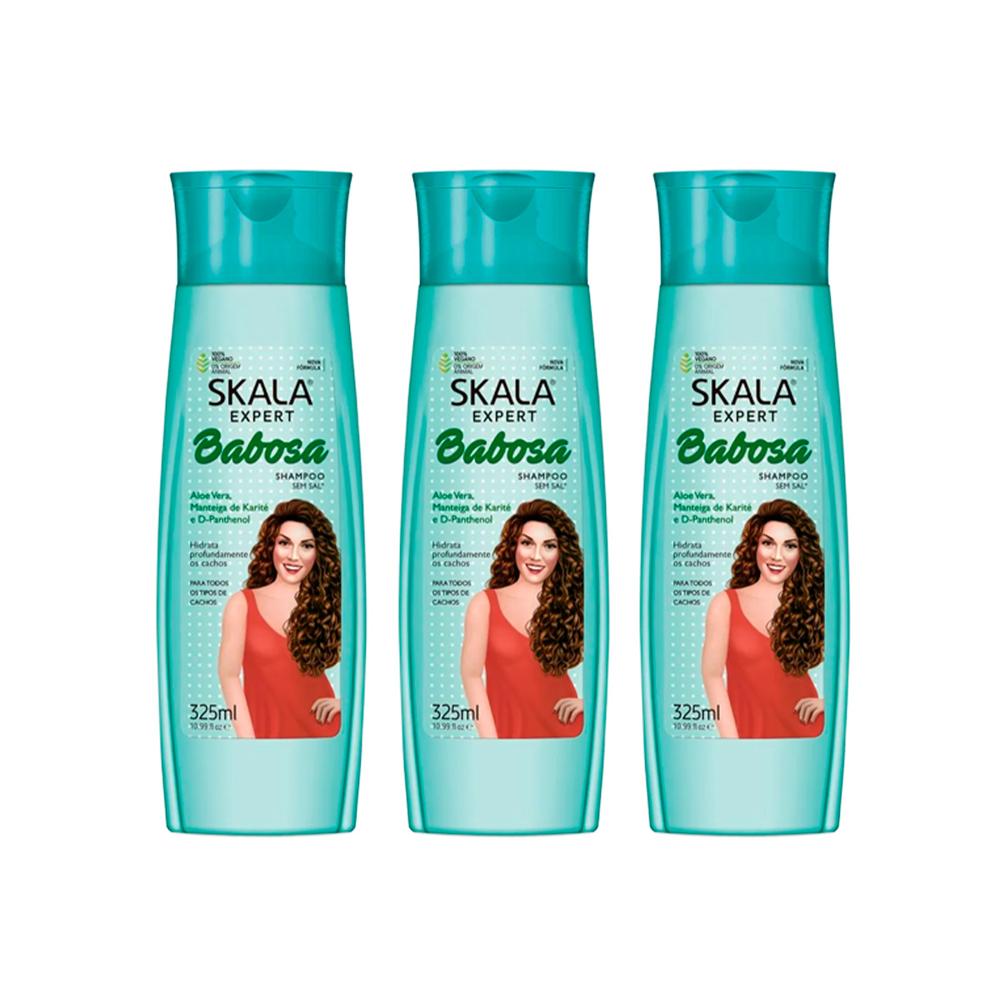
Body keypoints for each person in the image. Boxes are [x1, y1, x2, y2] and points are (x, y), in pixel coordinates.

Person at [218, 499, 342, 739]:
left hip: (326, 735)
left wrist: (347, 703)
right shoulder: (241, 604)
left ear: (318, 553)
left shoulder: (329, 604)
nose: (294, 556)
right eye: (285, 543)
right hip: (266, 738)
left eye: (306, 546)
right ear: (271, 546)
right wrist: (247, 741)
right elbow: (229, 676)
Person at [460, 499, 584, 739]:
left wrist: (590, 704)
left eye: (549, 546)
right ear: (514, 546)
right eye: (527, 543)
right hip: (508, 739)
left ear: (561, 553)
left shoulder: (572, 605)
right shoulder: (484, 604)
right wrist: (490, 741)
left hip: (568, 735)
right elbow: (471, 676)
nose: (536, 556)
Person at [701, 499, 825, 739]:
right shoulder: (725, 604)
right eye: (768, 543)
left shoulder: (812, 604)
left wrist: (831, 703)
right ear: (754, 546)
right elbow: (712, 676)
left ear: (801, 553)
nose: (777, 556)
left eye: (789, 546)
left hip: (809, 735)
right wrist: (731, 742)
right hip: (749, 739)